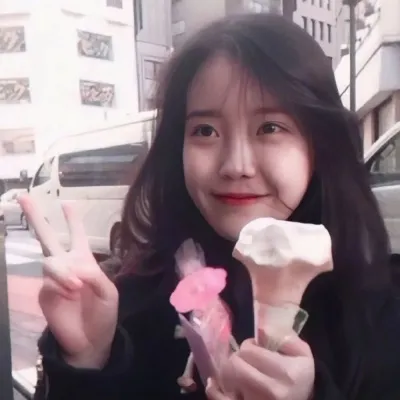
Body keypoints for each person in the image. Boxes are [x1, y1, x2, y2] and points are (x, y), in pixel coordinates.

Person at [20, 13, 400, 400]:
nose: (236, 165)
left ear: (319, 145)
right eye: (205, 131)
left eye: (270, 128)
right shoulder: (132, 300)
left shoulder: (380, 309)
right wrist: (88, 360)